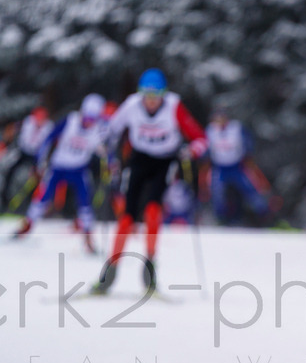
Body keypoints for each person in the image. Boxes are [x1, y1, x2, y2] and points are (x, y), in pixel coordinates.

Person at [94, 68, 207, 294]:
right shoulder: (132, 105)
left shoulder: (174, 106)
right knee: (127, 214)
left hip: (165, 161)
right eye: (147, 95)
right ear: (141, 93)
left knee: (153, 210)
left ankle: (149, 268)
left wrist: (190, 152)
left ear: (164, 94)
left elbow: (201, 139)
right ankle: (110, 270)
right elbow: (111, 129)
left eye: (156, 96)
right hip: (139, 159)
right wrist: (106, 142)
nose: (151, 101)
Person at [14, 93, 108, 252]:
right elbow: (49, 138)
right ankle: (27, 226)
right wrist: (40, 161)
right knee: (43, 197)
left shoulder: (99, 129)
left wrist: (110, 162)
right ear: (82, 112)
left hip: (79, 169)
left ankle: (88, 238)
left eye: (93, 119)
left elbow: (103, 149)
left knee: (85, 202)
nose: (89, 122)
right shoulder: (70, 120)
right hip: (59, 167)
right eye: (87, 117)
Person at [204, 107, 271, 226]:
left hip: (237, 166)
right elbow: (205, 147)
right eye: (216, 119)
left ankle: (265, 215)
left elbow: (248, 142)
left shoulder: (236, 128)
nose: (218, 121)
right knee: (217, 192)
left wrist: (248, 154)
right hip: (219, 167)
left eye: (221, 118)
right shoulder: (210, 130)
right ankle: (221, 219)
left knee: (251, 189)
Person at [0, 107, 54, 213]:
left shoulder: (49, 127)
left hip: (37, 155)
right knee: (10, 170)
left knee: (38, 179)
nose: (39, 121)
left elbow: (53, 142)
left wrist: (45, 161)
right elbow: (11, 130)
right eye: (37, 118)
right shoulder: (27, 122)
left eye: (42, 118)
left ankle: (33, 206)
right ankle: (3, 201)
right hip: (23, 151)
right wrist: (4, 142)